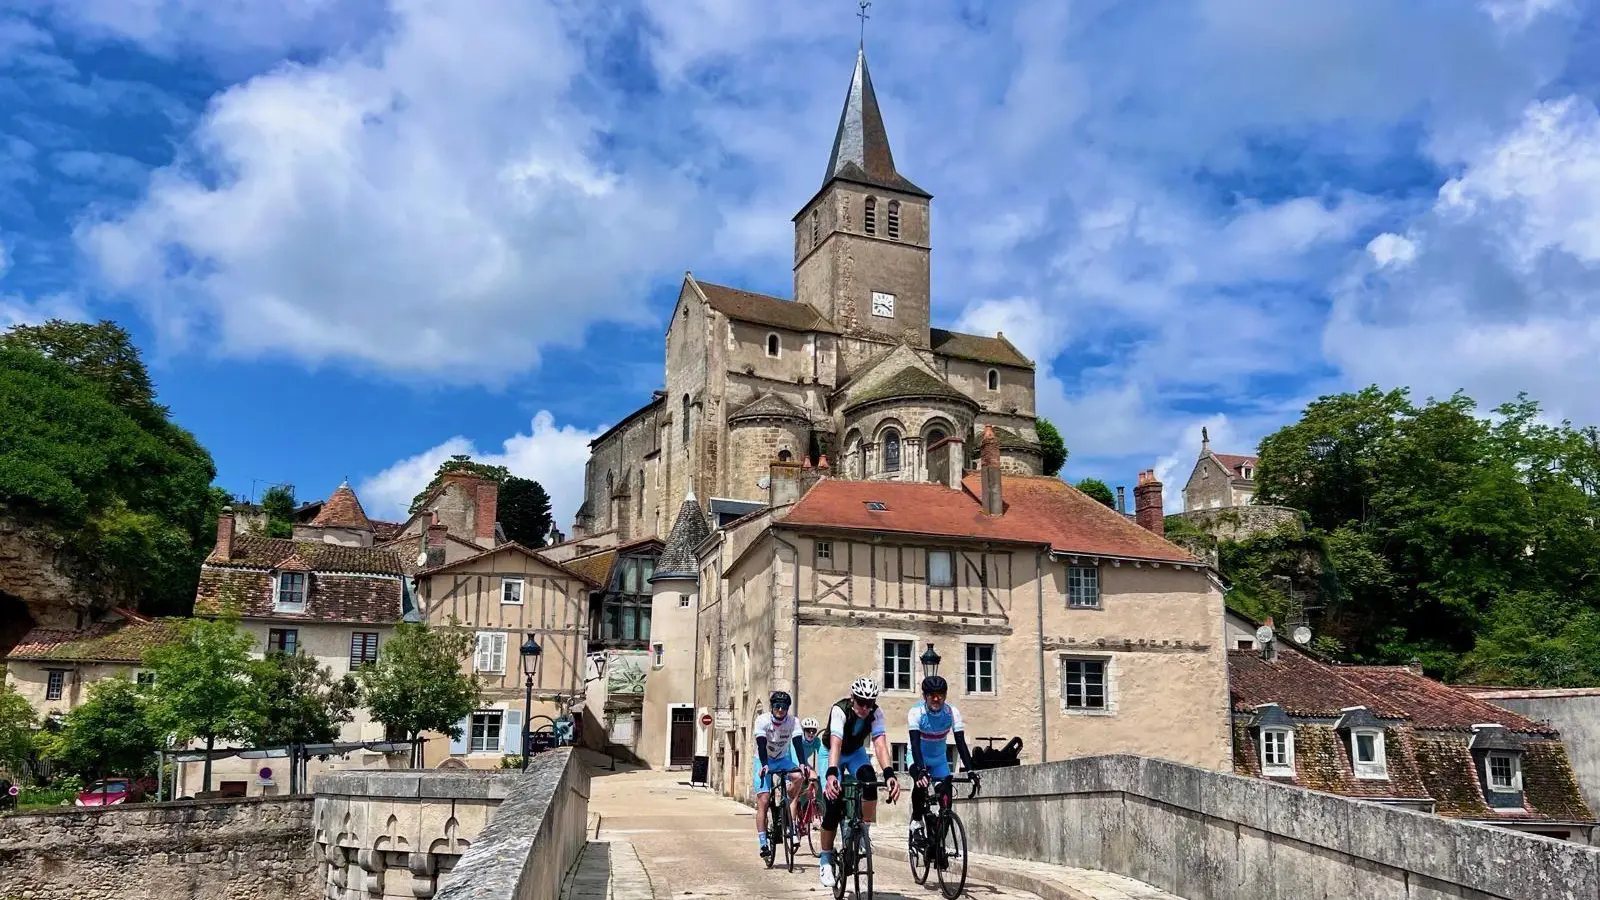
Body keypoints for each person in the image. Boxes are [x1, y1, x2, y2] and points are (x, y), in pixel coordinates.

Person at [818, 677, 901, 889]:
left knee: (870, 782)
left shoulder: (876, 713)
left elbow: (880, 745)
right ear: (852, 698)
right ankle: (825, 859)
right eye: (861, 702)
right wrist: (831, 775)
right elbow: (835, 744)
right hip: (831, 752)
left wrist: (890, 774)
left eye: (869, 703)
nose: (865, 707)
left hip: (855, 753)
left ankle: (864, 831)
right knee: (833, 805)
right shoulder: (840, 710)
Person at [907, 674, 977, 845]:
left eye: (940, 695)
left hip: (939, 760)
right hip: (918, 757)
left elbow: (960, 743)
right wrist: (921, 770)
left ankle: (937, 844)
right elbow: (915, 745)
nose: (936, 699)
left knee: (946, 802)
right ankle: (916, 820)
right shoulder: (916, 712)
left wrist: (971, 770)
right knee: (920, 782)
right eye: (932, 695)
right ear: (925, 697)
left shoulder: (952, 712)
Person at [753, 690, 809, 858]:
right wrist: (764, 765)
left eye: (784, 707)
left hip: (782, 759)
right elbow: (761, 744)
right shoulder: (762, 720)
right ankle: (763, 843)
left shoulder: (793, 722)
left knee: (799, 776)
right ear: (772, 707)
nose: (780, 710)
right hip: (763, 760)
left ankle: (788, 801)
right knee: (763, 800)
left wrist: (802, 764)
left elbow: (798, 743)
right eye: (777, 706)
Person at [795, 716, 827, 834]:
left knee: (814, 777)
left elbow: (823, 755)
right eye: (808, 730)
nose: (811, 733)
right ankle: (795, 808)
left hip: (805, 763)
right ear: (803, 731)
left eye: (813, 730)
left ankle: (813, 806)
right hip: (794, 761)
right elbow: (795, 756)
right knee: (798, 779)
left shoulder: (816, 741)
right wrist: (802, 767)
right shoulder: (798, 739)